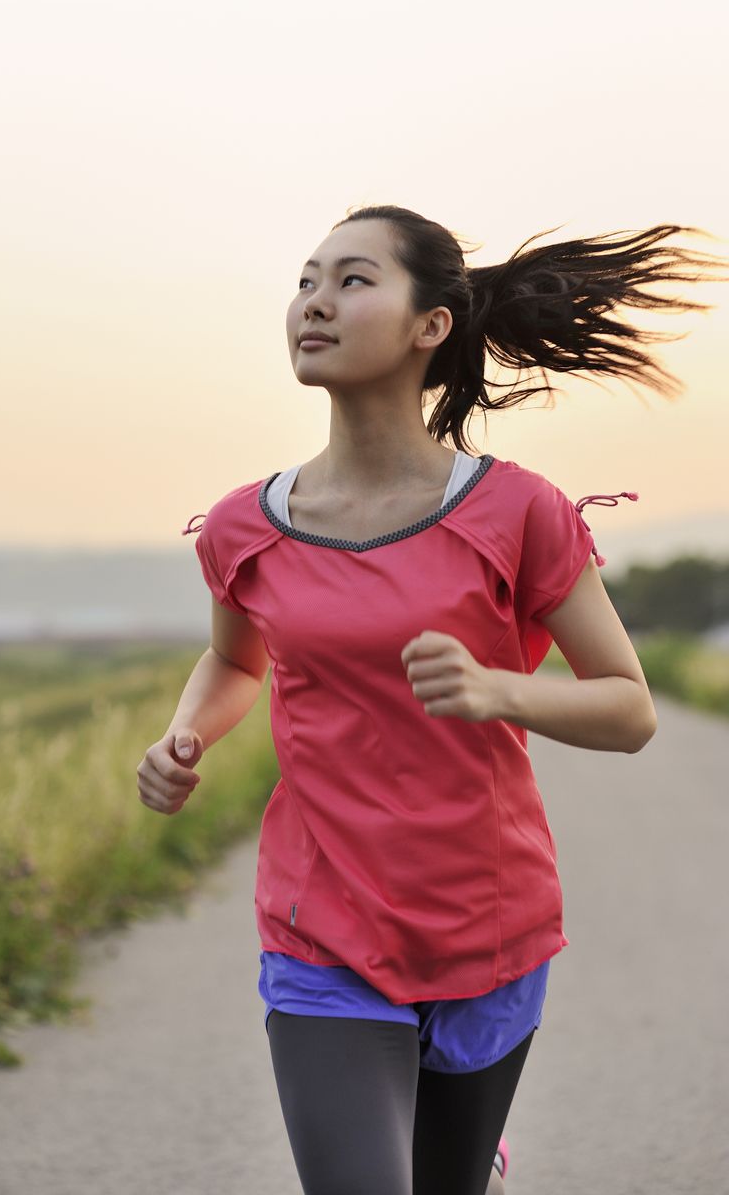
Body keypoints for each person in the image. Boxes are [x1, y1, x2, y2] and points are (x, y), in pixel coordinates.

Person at [137, 205, 725, 1195]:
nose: (313, 302)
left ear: (430, 326)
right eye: (304, 279)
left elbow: (628, 707)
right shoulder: (245, 525)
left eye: (353, 280)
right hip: (319, 925)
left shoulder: (515, 512)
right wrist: (184, 733)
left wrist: (500, 689)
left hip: (487, 924)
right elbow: (237, 663)